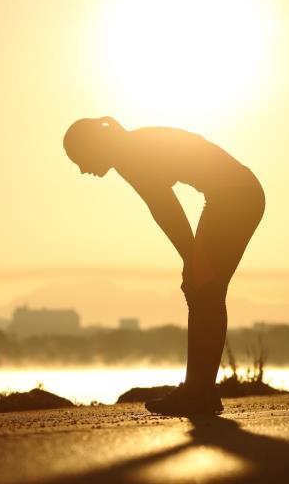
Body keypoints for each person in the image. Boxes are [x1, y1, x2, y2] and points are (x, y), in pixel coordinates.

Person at [63, 116, 264, 416]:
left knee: (203, 289)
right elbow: (164, 207)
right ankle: (201, 390)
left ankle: (199, 392)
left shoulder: (128, 153)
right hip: (236, 194)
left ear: (94, 146)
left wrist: (192, 259)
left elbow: (165, 209)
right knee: (203, 289)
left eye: (80, 159)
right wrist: (192, 259)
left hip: (235, 197)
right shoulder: (127, 146)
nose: (82, 169)